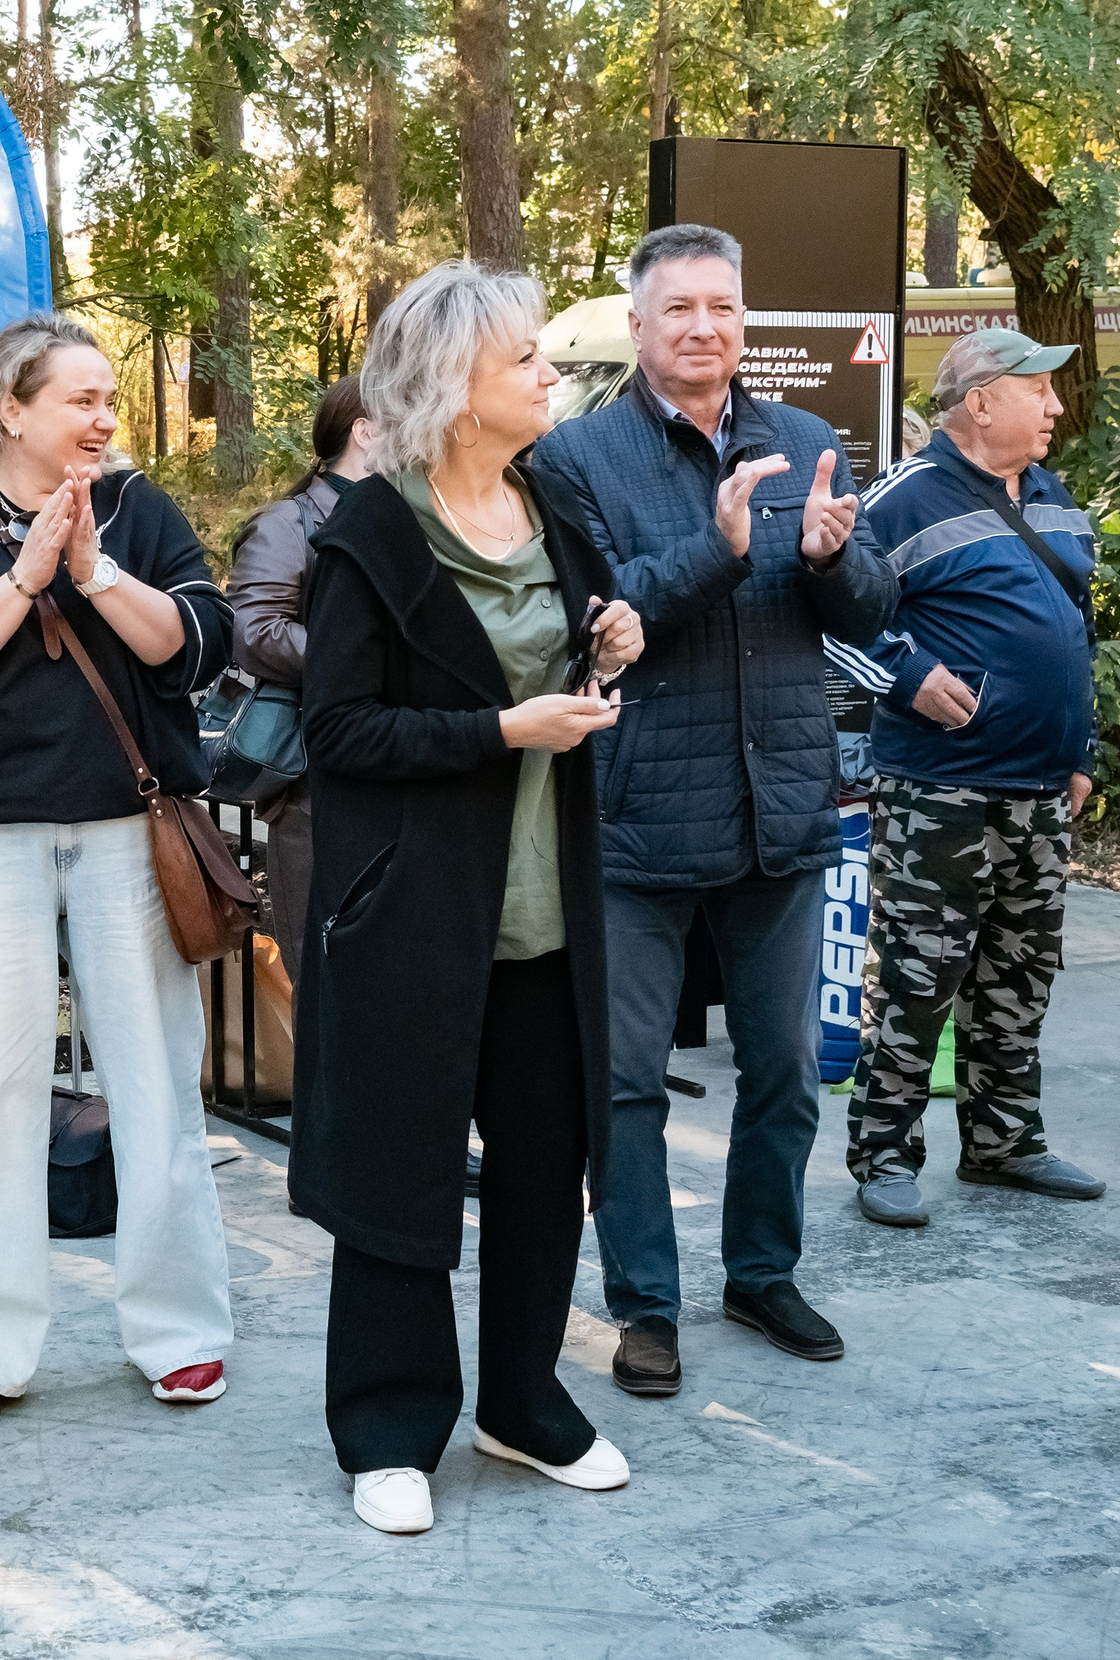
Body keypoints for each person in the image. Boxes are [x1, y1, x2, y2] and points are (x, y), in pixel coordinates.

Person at [292, 259, 645, 1535]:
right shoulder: (367, 538)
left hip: (553, 910)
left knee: (547, 1167)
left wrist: (615, 636)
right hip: (412, 918)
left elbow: (592, 616)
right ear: (455, 388)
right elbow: (337, 733)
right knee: (399, 1170)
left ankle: (521, 1403)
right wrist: (497, 729)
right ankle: (387, 1425)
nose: (549, 377)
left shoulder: (548, 499)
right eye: (525, 363)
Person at [529, 224, 896, 1399]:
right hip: (635, 819)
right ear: (637, 328)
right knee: (626, 1079)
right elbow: (589, 621)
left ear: (747, 323)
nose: (704, 329)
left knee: (785, 1067)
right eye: (679, 309)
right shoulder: (574, 458)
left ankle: (761, 1270)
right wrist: (722, 546)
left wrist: (836, 557)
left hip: (780, 808)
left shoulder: (799, 438)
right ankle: (644, 1304)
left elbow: (868, 612)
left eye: (724, 309)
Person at [0, 311, 238, 1431]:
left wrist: (96, 573)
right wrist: (26, 578)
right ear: (9, 412)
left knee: (158, 1087)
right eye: (80, 397)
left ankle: (180, 1331)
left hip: (132, 838)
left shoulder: (142, 513)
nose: (104, 415)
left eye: (110, 396)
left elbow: (201, 644)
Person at [830, 329, 1106, 1223]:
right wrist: (908, 676)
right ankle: (882, 1157)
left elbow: (1075, 635)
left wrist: (1082, 751)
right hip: (939, 788)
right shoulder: (904, 499)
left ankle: (1004, 1144)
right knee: (917, 976)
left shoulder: (1056, 499)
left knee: (1019, 977)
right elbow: (833, 618)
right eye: (1041, 390)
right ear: (982, 400)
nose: (1057, 407)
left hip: (1040, 789)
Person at [226, 373, 376, 972]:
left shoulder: (418, 519)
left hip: (398, 770)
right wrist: (372, 660)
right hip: (316, 784)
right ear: (365, 432)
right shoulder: (288, 523)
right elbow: (253, 632)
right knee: (322, 971)